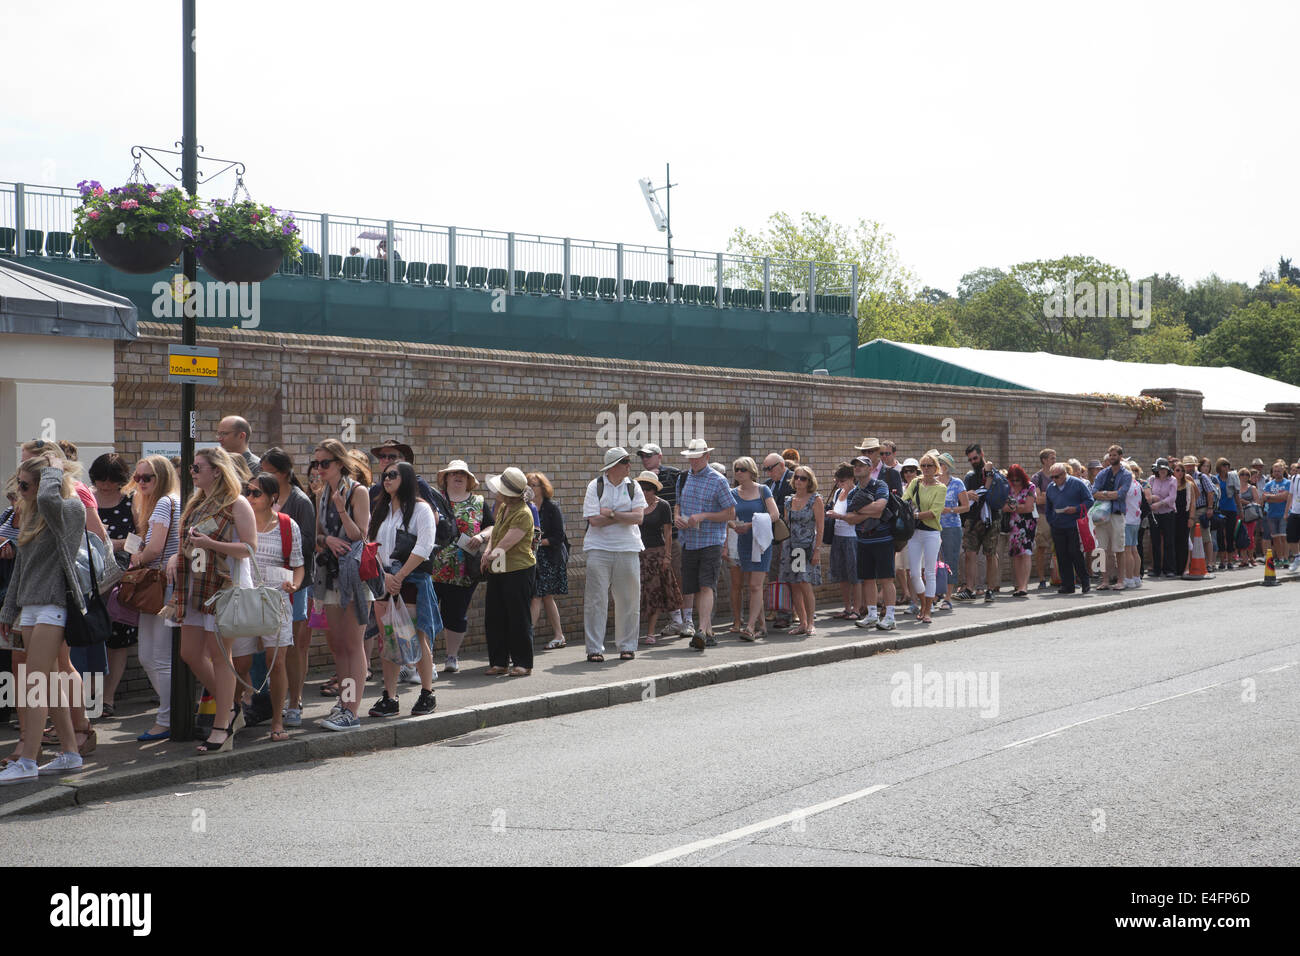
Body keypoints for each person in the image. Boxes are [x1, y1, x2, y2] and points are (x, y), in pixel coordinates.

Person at [0, 453, 89, 783]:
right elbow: (21, 569)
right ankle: (70, 753)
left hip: (55, 605)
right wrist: (9, 611)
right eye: (17, 483)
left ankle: (26, 761)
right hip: (32, 607)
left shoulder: (68, 508)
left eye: (24, 484)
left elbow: (52, 498)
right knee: (49, 684)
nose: (19, 490)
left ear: (46, 482)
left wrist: (53, 470)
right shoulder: (32, 512)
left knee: (34, 684)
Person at [166, 446, 257, 753]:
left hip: (224, 585)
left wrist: (211, 543)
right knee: (190, 652)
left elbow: (249, 549)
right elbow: (187, 543)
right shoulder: (196, 502)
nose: (191, 472)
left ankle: (222, 724)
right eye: (192, 468)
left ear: (216, 471)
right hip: (194, 586)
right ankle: (231, 706)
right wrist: (174, 558)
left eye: (197, 468)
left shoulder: (237, 502)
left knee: (220, 656)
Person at [230, 474, 303, 741]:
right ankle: (233, 715)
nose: (249, 497)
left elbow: (298, 564)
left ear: (273, 497)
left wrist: (295, 584)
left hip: (275, 597)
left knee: (277, 662)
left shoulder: (287, 525)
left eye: (255, 493)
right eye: (247, 492)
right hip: (245, 596)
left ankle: (276, 722)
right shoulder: (238, 522)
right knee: (240, 662)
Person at [365, 461, 441, 718]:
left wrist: (399, 575)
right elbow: (370, 545)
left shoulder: (421, 509)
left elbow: (424, 546)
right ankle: (389, 696)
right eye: (384, 475)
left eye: (392, 475)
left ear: (406, 478)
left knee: (415, 637)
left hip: (412, 581)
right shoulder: (381, 510)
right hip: (384, 581)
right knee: (388, 639)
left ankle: (427, 692)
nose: (386, 479)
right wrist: (385, 576)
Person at [310, 439, 371, 732]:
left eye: (325, 463)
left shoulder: (358, 492)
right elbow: (318, 536)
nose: (319, 469)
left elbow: (360, 535)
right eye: (316, 463)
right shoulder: (321, 494)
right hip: (330, 574)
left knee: (353, 644)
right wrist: (327, 541)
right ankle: (344, 703)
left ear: (339, 463)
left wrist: (342, 510)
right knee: (339, 646)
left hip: (354, 576)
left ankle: (352, 709)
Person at [125, 455, 181, 741]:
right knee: (150, 655)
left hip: (161, 588)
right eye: (138, 477)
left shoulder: (164, 503)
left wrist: (136, 557)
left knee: (158, 657)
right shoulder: (168, 502)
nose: (141, 482)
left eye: (148, 477)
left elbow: (155, 550)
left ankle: (169, 717)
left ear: (162, 477)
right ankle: (174, 711)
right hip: (159, 589)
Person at [258, 447, 315, 729]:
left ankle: (295, 701)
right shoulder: (258, 499)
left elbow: (305, 548)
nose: (260, 473)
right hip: (263, 586)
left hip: (291, 583)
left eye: (265, 469)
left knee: (292, 644)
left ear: (280, 473)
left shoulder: (300, 501)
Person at [469, 468, 535, 675]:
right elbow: (496, 536)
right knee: (495, 616)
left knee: (518, 617)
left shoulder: (524, 513)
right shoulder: (504, 507)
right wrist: (486, 552)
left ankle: (522, 663)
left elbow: (507, 542)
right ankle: (499, 662)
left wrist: (489, 556)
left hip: (519, 570)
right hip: (499, 569)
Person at [581, 449, 646, 662]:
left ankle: (627, 646)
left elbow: (638, 518)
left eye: (629, 461)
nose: (629, 465)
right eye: (625, 462)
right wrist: (622, 516)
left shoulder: (634, 486)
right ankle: (594, 649)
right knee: (596, 600)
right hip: (598, 549)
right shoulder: (595, 486)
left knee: (628, 600)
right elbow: (594, 520)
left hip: (628, 548)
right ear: (611, 467)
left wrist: (610, 512)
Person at [429, 460, 492, 672]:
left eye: (462, 474)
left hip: (464, 569)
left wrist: (481, 536)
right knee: (427, 614)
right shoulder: (433, 500)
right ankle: (426, 659)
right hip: (432, 568)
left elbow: (491, 525)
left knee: (456, 614)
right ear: (445, 478)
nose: (458, 476)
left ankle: (451, 657)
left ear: (468, 480)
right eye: (453, 473)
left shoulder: (479, 501)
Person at [674, 439, 736, 651]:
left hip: (711, 540)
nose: (693, 460)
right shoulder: (683, 477)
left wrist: (704, 516)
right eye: (691, 457)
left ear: (707, 457)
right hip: (688, 541)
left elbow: (730, 513)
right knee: (694, 587)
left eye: (698, 456)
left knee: (706, 584)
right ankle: (708, 632)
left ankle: (700, 630)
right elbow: (678, 505)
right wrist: (677, 518)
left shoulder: (718, 480)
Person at [88, 453, 137, 716]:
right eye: (100, 480)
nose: (105, 486)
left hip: (120, 578)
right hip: (88, 577)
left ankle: (108, 698)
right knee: (88, 637)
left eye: (111, 481)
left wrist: (112, 543)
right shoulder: (86, 500)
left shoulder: (131, 502)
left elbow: (140, 539)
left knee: (118, 639)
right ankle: (88, 697)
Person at [636, 444, 687, 638]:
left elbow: (678, 503)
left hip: (670, 540)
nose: (645, 459)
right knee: (652, 587)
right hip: (643, 549)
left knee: (673, 582)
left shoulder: (674, 475)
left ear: (659, 456)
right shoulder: (637, 491)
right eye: (642, 456)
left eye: (648, 456)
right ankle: (672, 622)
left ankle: (681, 621)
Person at [728, 456, 780, 640]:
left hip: (761, 542)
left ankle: (750, 627)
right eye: (736, 469)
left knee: (755, 585)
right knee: (752, 587)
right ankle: (763, 627)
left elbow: (774, 515)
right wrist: (734, 525)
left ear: (751, 471)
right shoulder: (732, 492)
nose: (739, 472)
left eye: (742, 469)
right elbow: (728, 516)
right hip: (743, 542)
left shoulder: (763, 490)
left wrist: (750, 525)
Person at [843, 454, 895, 630]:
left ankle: (890, 617)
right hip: (863, 541)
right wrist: (869, 512)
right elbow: (849, 518)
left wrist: (859, 511)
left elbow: (880, 508)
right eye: (855, 465)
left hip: (883, 539)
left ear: (870, 468)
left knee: (886, 579)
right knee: (867, 579)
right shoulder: (852, 492)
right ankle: (872, 615)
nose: (857, 468)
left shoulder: (880, 485)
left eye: (861, 465)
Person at [958, 444, 1008, 603]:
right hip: (972, 519)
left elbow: (993, 489)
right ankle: (969, 589)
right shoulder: (970, 477)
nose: (973, 461)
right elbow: (962, 496)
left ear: (982, 454)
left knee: (990, 554)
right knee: (969, 554)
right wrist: (968, 494)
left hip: (992, 519)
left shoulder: (994, 473)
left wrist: (988, 472)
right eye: (970, 459)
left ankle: (991, 590)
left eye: (975, 458)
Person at [528, 472, 569, 649]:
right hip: (533, 558)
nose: (530, 488)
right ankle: (559, 635)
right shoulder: (526, 507)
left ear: (542, 488)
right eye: (527, 485)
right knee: (545, 597)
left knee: (537, 596)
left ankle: (526, 638)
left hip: (550, 557)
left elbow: (559, 536)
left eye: (533, 485)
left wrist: (536, 543)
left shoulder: (551, 507)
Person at [903, 454, 945, 623]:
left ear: (936, 468)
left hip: (931, 532)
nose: (926, 469)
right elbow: (904, 501)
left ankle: (927, 610)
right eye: (924, 465)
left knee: (929, 572)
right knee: (914, 573)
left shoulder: (941, 488)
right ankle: (924, 603)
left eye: (929, 465)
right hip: (915, 532)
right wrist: (913, 514)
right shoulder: (915, 483)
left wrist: (915, 515)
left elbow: (934, 513)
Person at [1043, 463, 1094, 594]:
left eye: (1057, 477)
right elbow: (1048, 507)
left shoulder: (1077, 483)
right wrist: (1051, 520)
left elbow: (1089, 500)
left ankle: (1084, 581)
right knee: (1061, 555)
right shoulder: (1051, 487)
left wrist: (1076, 509)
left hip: (1073, 524)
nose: (1054, 479)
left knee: (1075, 553)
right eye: (1052, 477)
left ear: (1065, 474)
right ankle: (1067, 585)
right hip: (1057, 525)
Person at [762, 452, 796, 630]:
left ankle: (788, 612)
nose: (768, 473)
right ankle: (777, 606)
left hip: (791, 537)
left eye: (770, 468)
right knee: (774, 573)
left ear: (782, 465)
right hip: (773, 537)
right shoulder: (768, 485)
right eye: (765, 469)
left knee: (790, 574)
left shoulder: (795, 480)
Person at [1091, 444, 1132, 591]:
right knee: (1102, 550)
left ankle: (1120, 580)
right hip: (1101, 517)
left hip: (1116, 515)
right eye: (1110, 455)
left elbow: (1121, 494)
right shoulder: (1103, 473)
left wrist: (1105, 494)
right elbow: (1094, 492)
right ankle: (1105, 581)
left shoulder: (1126, 474)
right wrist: (1111, 494)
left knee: (1119, 549)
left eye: (1114, 455)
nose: (1112, 457)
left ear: (1120, 457)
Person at [824, 462, 859, 620]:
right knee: (842, 575)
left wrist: (838, 516)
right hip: (838, 536)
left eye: (843, 480)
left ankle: (857, 609)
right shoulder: (838, 492)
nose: (839, 483)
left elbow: (856, 518)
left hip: (852, 537)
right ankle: (846, 607)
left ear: (852, 478)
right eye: (837, 480)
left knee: (855, 575)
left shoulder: (857, 493)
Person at [935, 451, 969, 610]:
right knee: (933, 562)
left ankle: (947, 597)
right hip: (933, 527)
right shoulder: (932, 483)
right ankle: (935, 594)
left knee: (950, 561)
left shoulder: (957, 483)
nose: (938, 467)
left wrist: (950, 510)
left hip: (951, 528)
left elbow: (966, 506)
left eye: (941, 464)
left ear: (947, 467)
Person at [1002, 464, 1037, 597]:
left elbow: (1029, 508)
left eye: (1018, 480)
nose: (1016, 483)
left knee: (1026, 552)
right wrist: (1018, 507)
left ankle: (1024, 586)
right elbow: (1003, 507)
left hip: (1027, 524)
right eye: (1013, 480)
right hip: (1013, 524)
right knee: (1016, 554)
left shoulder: (1030, 486)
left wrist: (1013, 506)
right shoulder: (1007, 488)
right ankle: (1019, 584)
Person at [1029, 449, 1058, 590]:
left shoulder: (1057, 475)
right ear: (1044, 460)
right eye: (1052, 458)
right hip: (1042, 516)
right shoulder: (1037, 478)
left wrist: (1047, 495)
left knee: (1058, 548)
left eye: (1055, 458)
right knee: (1041, 548)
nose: (1054, 460)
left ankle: (1056, 577)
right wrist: (1054, 495)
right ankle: (1041, 579)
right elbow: (1038, 500)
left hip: (1057, 515)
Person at [1147, 458, 1178, 578]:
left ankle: (1169, 569)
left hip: (1168, 513)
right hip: (1154, 514)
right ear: (1156, 469)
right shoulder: (1151, 479)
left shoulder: (1172, 480)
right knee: (1155, 541)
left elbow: (1172, 498)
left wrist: (1159, 503)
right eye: (1160, 469)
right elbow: (1148, 494)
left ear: (1168, 469)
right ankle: (1156, 569)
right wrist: (1154, 498)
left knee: (1169, 542)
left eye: (1164, 468)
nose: (1162, 471)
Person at [1212, 458, 1240, 570]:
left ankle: (1230, 560)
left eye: (1227, 465)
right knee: (1220, 535)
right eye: (1224, 465)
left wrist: (1240, 509)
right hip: (1220, 509)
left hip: (1231, 508)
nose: (1226, 467)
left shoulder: (1232, 478)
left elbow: (1236, 494)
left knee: (1229, 535)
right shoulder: (1215, 479)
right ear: (1219, 467)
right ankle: (1222, 561)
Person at [1262, 460, 1291, 567]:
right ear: (1272, 472)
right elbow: (1265, 498)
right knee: (1276, 538)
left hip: (1284, 514)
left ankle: (1286, 558)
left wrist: (1272, 497)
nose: (1277, 473)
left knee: (1284, 537)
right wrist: (1278, 497)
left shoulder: (1288, 483)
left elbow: (1286, 496)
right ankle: (1280, 558)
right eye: (1275, 471)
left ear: (1283, 471)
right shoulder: (1269, 484)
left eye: (1279, 471)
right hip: (1271, 514)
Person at [1122, 461, 1144, 588]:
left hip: (1127, 520)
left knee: (1127, 551)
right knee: (1134, 550)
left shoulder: (1127, 485)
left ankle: (1129, 578)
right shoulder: (1136, 484)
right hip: (1135, 519)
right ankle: (1136, 577)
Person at [1237, 467, 1261, 568]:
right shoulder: (1236, 488)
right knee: (1241, 536)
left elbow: (1257, 502)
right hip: (1239, 514)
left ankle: (1251, 558)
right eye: (1242, 474)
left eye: (1247, 474)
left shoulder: (1252, 488)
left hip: (1250, 515)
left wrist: (1244, 502)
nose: (1244, 476)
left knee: (1250, 536)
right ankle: (1244, 559)